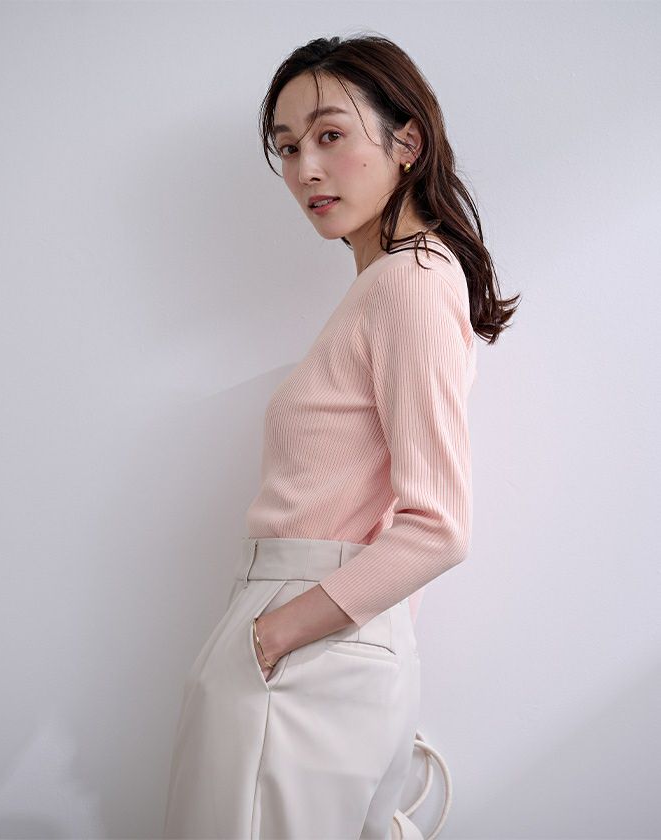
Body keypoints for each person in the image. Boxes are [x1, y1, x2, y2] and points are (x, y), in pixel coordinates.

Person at [162, 33, 519, 840]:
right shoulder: (392, 283)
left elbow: (438, 528)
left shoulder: (410, 283)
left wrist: (274, 635)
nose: (306, 170)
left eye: (330, 135)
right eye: (288, 148)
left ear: (406, 141)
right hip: (309, 633)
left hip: (304, 634)